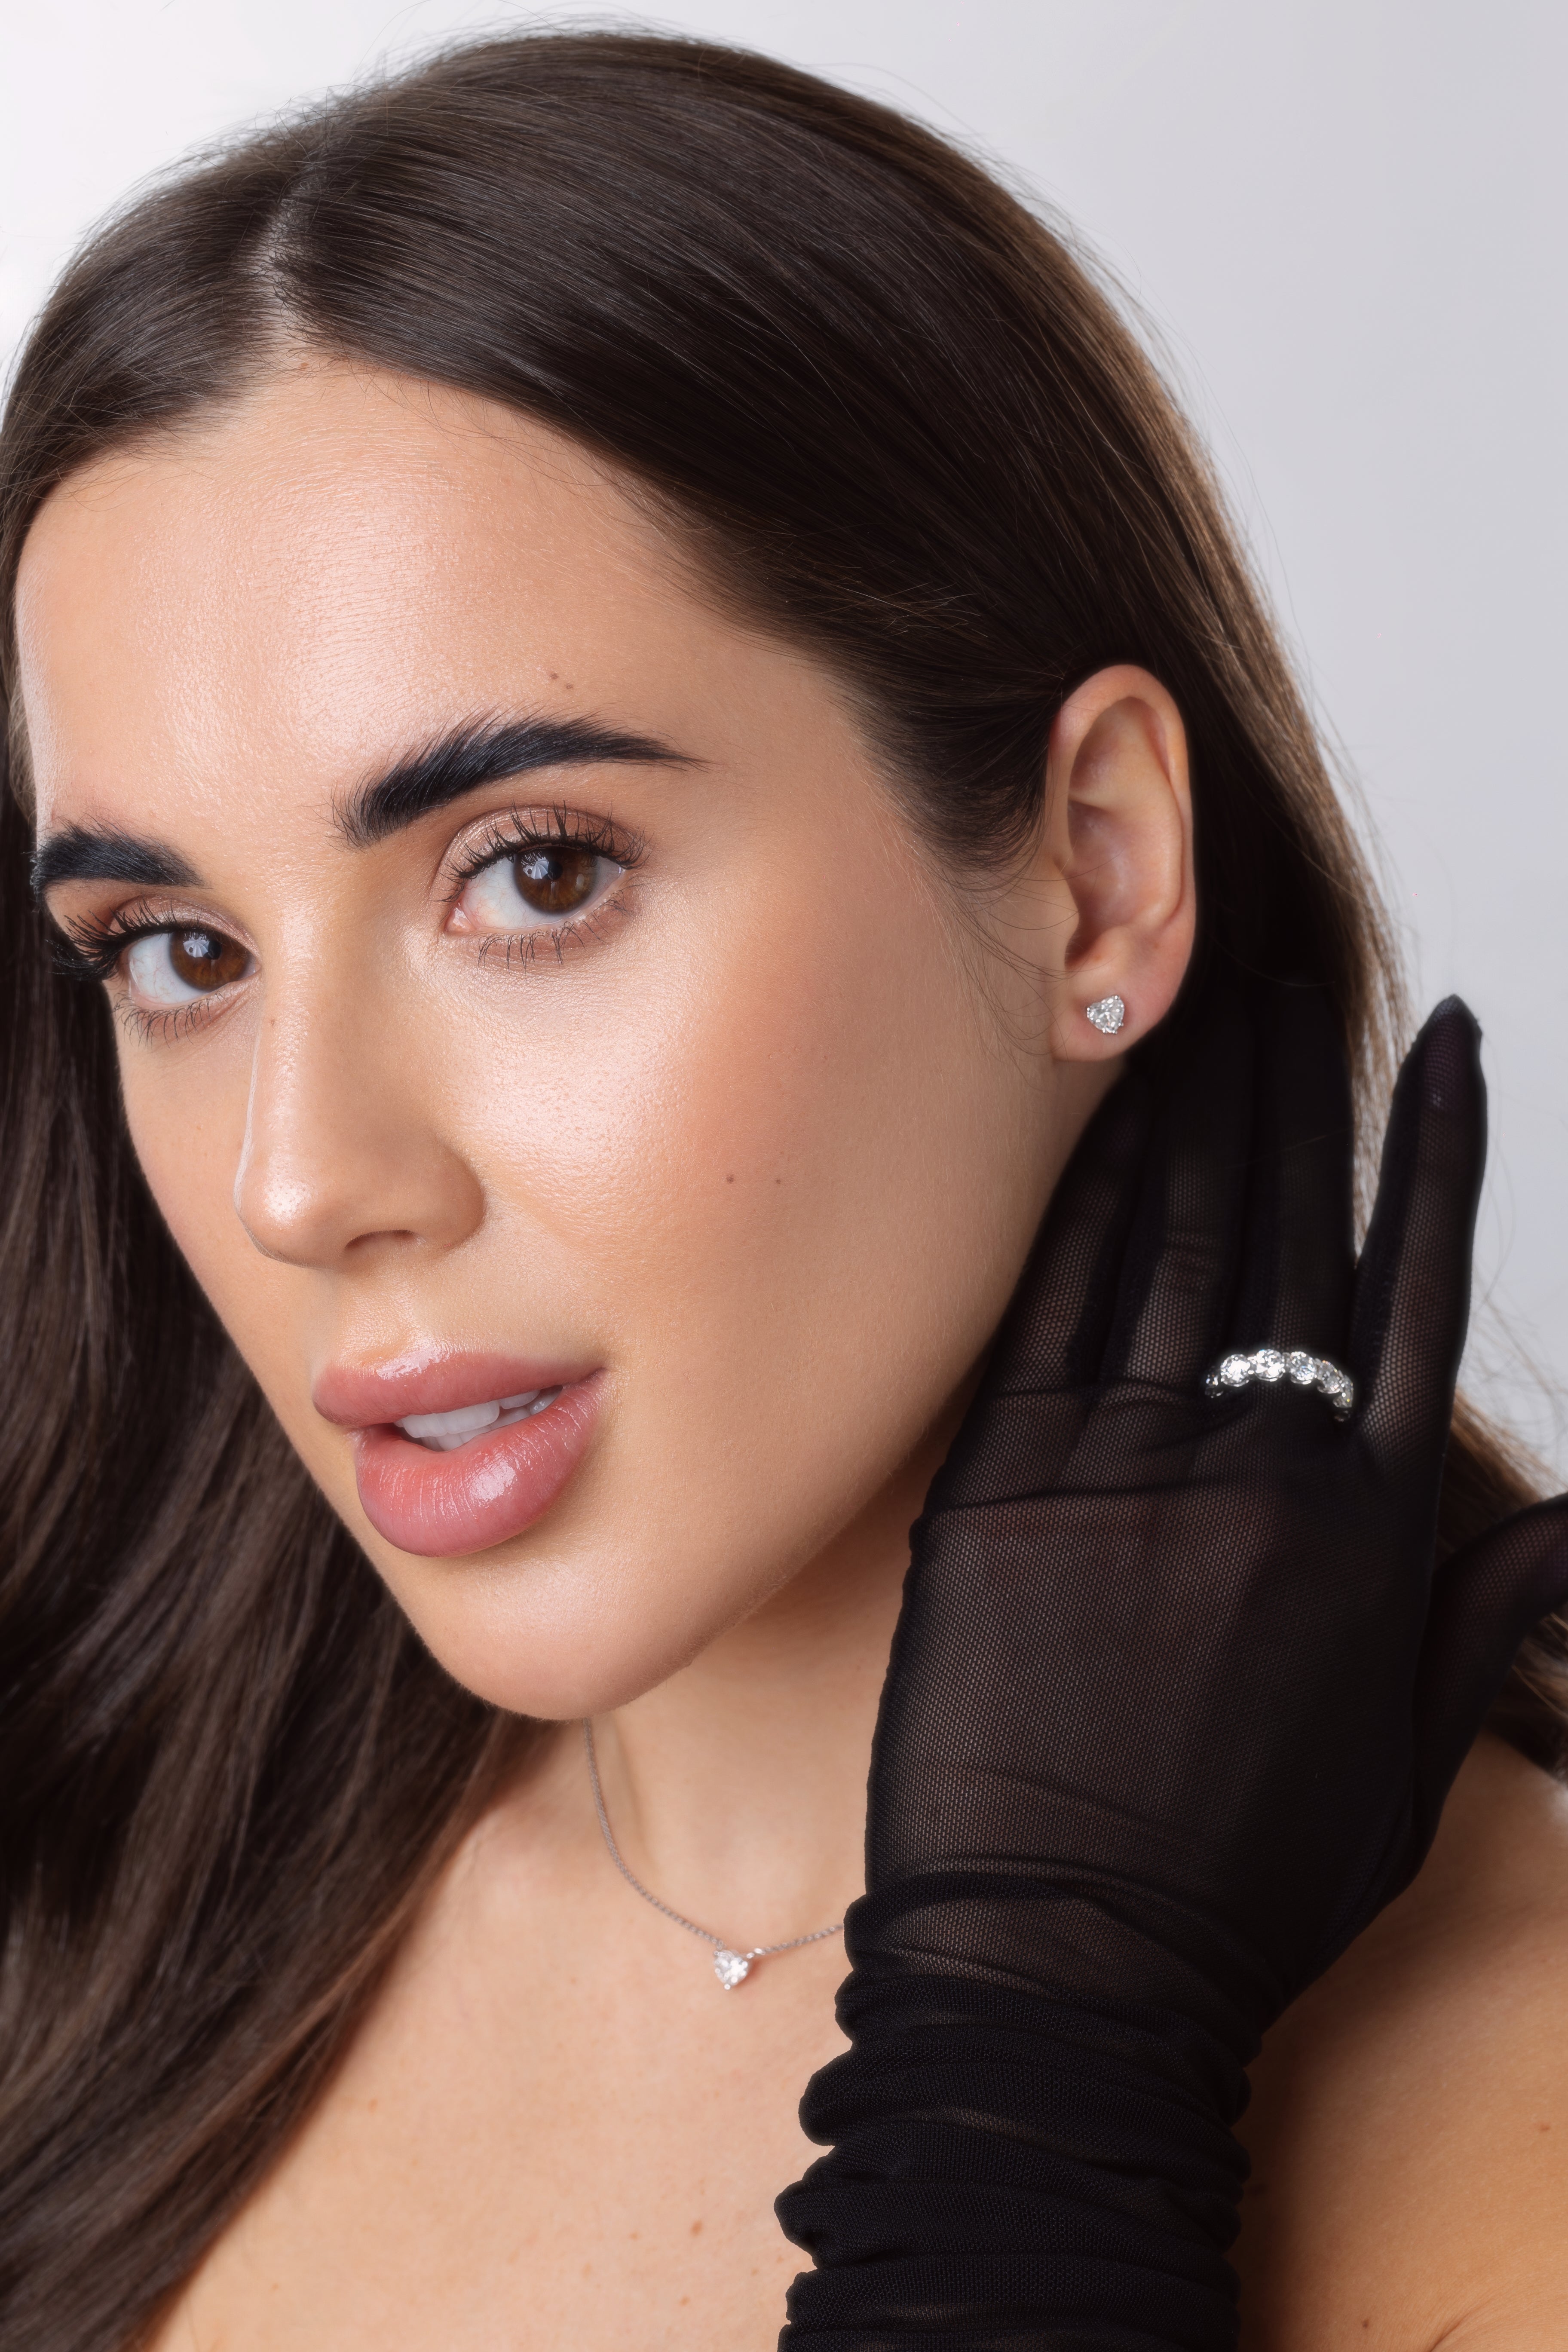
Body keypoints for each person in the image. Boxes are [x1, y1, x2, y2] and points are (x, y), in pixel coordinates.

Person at [1, 31, 1565, 2352]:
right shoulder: (80, 1901)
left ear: (1096, 867)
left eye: (536, 874)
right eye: (180, 953)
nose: (305, 1178)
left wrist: (1046, 2080)